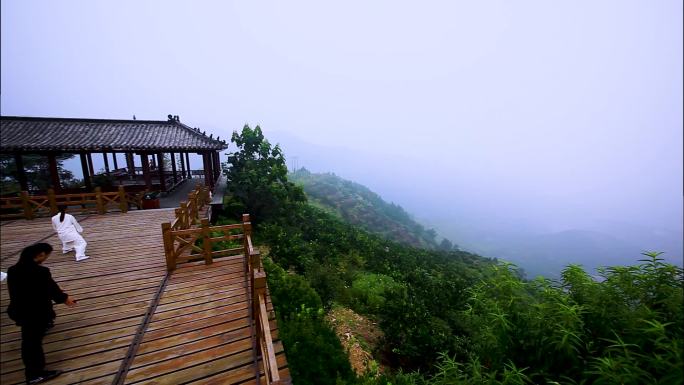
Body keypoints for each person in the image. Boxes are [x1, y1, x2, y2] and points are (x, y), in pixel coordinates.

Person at [6, 243, 77, 384]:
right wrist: (65, 299)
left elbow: (29, 288)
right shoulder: (41, 272)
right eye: (47, 255)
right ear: (41, 255)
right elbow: (53, 290)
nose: (46, 258)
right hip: (36, 313)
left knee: (30, 339)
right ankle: (34, 374)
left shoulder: (13, 270)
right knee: (31, 343)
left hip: (19, 310)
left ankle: (34, 370)